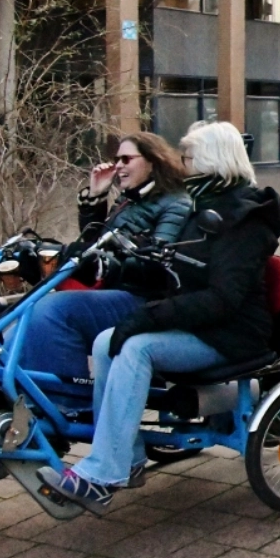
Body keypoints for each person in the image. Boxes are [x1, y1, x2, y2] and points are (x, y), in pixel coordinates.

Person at [38, 121, 280, 514]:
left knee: (135, 348)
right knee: (107, 341)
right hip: (198, 323)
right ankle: (127, 457)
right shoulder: (203, 206)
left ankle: (102, 475)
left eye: (187, 158)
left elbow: (223, 298)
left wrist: (151, 316)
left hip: (229, 333)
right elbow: (168, 268)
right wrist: (120, 274)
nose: (182, 166)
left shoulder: (245, 220)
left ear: (210, 162)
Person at [22, 133, 192, 398]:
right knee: (23, 309)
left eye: (126, 159)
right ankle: (21, 400)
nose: (119, 166)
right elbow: (93, 247)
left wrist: (109, 266)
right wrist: (96, 197)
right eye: (116, 160)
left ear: (153, 161)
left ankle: (69, 404)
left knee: (53, 311)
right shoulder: (129, 201)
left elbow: (160, 264)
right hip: (114, 292)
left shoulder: (177, 202)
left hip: (146, 300)